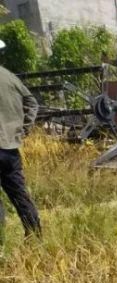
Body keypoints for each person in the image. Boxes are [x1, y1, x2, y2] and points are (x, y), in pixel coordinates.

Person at [0, 39, 42, 243]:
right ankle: (35, 237)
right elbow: (32, 102)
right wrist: (23, 129)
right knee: (19, 194)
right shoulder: (11, 78)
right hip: (10, 149)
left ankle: (1, 245)